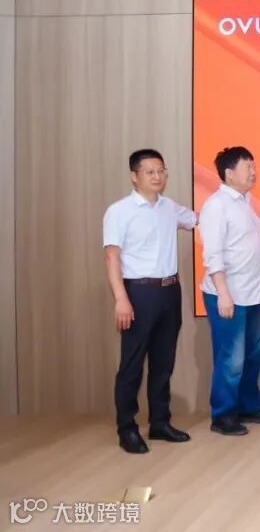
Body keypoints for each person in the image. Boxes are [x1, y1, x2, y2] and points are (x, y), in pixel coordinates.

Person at [103, 149, 197, 454]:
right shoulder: (119, 211)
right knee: (132, 364)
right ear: (135, 176)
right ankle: (126, 428)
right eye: (150, 172)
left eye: (161, 171)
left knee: (163, 362)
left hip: (169, 291)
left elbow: (198, 220)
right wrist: (121, 299)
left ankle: (160, 422)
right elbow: (111, 256)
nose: (157, 177)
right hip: (138, 293)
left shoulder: (170, 208)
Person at [199, 146, 260, 436]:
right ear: (229, 173)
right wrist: (223, 293)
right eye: (248, 167)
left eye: (254, 166)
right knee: (231, 358)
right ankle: (223, 415)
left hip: (253, 293)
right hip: (228, 295)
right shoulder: (217, 205)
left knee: (252, 355)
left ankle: (248, 407)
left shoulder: (244, 201)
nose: (254, 172)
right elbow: (212, 254)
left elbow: (254, 227)